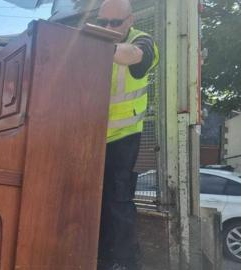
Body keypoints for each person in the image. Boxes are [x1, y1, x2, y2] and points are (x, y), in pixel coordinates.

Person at [96, 0, 159, 269]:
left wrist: (101, 46)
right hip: (91, 137)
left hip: (124, 136)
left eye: (115, 22)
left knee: (117, 199)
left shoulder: (143, 42)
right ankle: (100, 257)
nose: (108, 28)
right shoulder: (95, 40)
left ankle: (125, 262)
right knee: (93, 199)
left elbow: (135, 55)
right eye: (103, 23)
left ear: (130, 20)